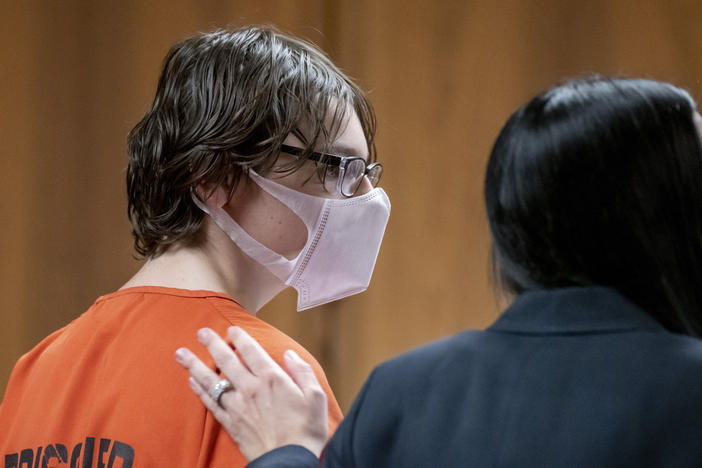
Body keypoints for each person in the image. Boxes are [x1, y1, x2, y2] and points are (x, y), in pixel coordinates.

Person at [179, 77, 702, 467]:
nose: (363, 197)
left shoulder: (402, 391)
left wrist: (288, 454)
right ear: (668, 212)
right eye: (338, 169)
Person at [0, 27, 390, 467]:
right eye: (340, 168)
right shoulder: (262, 378)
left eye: (368, 173)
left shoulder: (37, 369)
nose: (366, 197)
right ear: (215, 175)